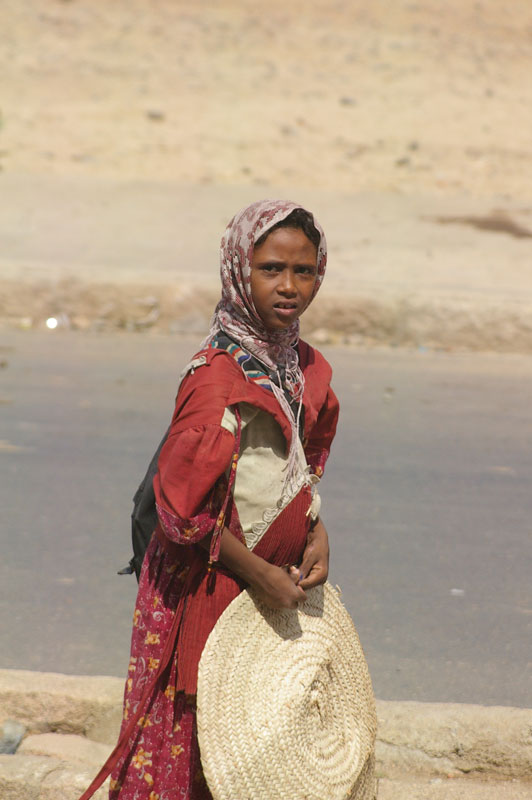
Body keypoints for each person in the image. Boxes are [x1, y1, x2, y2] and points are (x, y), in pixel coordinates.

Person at [79, 199, 339, 800]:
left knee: (257, 749)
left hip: (263, 586)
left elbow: (292, 469)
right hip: (211, 584)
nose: (289, 287)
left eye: (304, 272)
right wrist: (258, 575)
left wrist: (315, 531)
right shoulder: (218, 378)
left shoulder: (296, 365)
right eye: (271, 269)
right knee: (195, 749)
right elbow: (182, 514)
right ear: (237, 271)